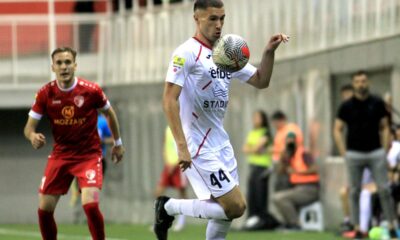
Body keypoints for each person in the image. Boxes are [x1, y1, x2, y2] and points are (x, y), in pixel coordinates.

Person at [154, 0, 289, 239]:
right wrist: (182, 146)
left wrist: (268, 52)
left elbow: (261, 80)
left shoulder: (226, 51)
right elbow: (168, 100)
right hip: (196, 142)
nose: (219, 25)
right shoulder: (185, 53)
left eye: (222, 18)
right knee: (236, 206)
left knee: (225, 213)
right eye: (212, 19)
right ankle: (167, 207)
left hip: (220, 142)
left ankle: (169, 208)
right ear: (197, 18)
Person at [23, 47, 125, 240]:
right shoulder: (45, 93)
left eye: (68, 62)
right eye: (59, 63)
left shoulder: (91, 90)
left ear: (75, 65)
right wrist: (32, 136)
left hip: (88, 156)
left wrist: (118, 143)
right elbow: (28, 128)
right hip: (60, 156)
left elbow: (109, 113)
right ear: (53, 67)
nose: (64, 67)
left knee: (91, 205)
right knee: (44, 210)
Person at [333, 70, 397, 239]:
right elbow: (337, 130)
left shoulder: (376, 103)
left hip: (375, 152)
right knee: (354, 191)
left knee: (384, 189)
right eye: (358, 81)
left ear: (367, 82)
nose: (361, 84)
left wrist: (383, 151)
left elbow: (384, 127)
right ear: (353, 84)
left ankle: (392, 224)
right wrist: (344, 153)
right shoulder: (346, 106)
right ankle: (357, 227)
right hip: (354, 154)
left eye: (363, 81)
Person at [70, 112, 114, 224]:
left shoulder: (102, 121)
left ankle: (93, 216)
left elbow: (113, 138)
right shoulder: (78, 120)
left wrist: (102, 140)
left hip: (98, 160)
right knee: (79, 188)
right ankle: (78, 215)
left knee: (94, 188)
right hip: (81, 160)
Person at [272, 132, 319, 229]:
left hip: (309, 188)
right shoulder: (289, 155)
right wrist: (283, 159)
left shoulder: (303, 153)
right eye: (288, 141)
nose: (290, 143)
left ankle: (295, 224)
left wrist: (297, 171)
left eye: (292, 140)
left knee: (280, 198)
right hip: (297, 188)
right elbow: (280, 172)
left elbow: (315, 168)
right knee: (277, 197)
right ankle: (288, 223)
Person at [242, 110, 273, 230]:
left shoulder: (266, 133)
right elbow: (245, 149)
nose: (254, 119)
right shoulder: (252, 133)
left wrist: (253, 148)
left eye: (257, 117)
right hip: (253, 167)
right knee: (252, 195)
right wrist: (253, 149)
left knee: (261, 196)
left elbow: (255, 148)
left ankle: (262, 221)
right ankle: (252, 220)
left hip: (262, 167)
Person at [154, 127, 188, 232]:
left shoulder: (182, 127)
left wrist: (176, 162)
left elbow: (185, 146)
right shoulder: (168, 128)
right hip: (168, 165)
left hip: (178, 165)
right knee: (158, 192)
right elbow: (165, 144)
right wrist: (166, 160)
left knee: (182, 192)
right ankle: (158, 221)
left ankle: (181, 222)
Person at [271, 110, 303, 191]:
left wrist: (285, 164)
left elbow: (290, 145)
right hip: (281, 163)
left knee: (283, 187)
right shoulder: (280, 131)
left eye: (275, 122)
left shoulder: (290, 129)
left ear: (281, 120)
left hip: (286, 164)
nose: (274, 125)